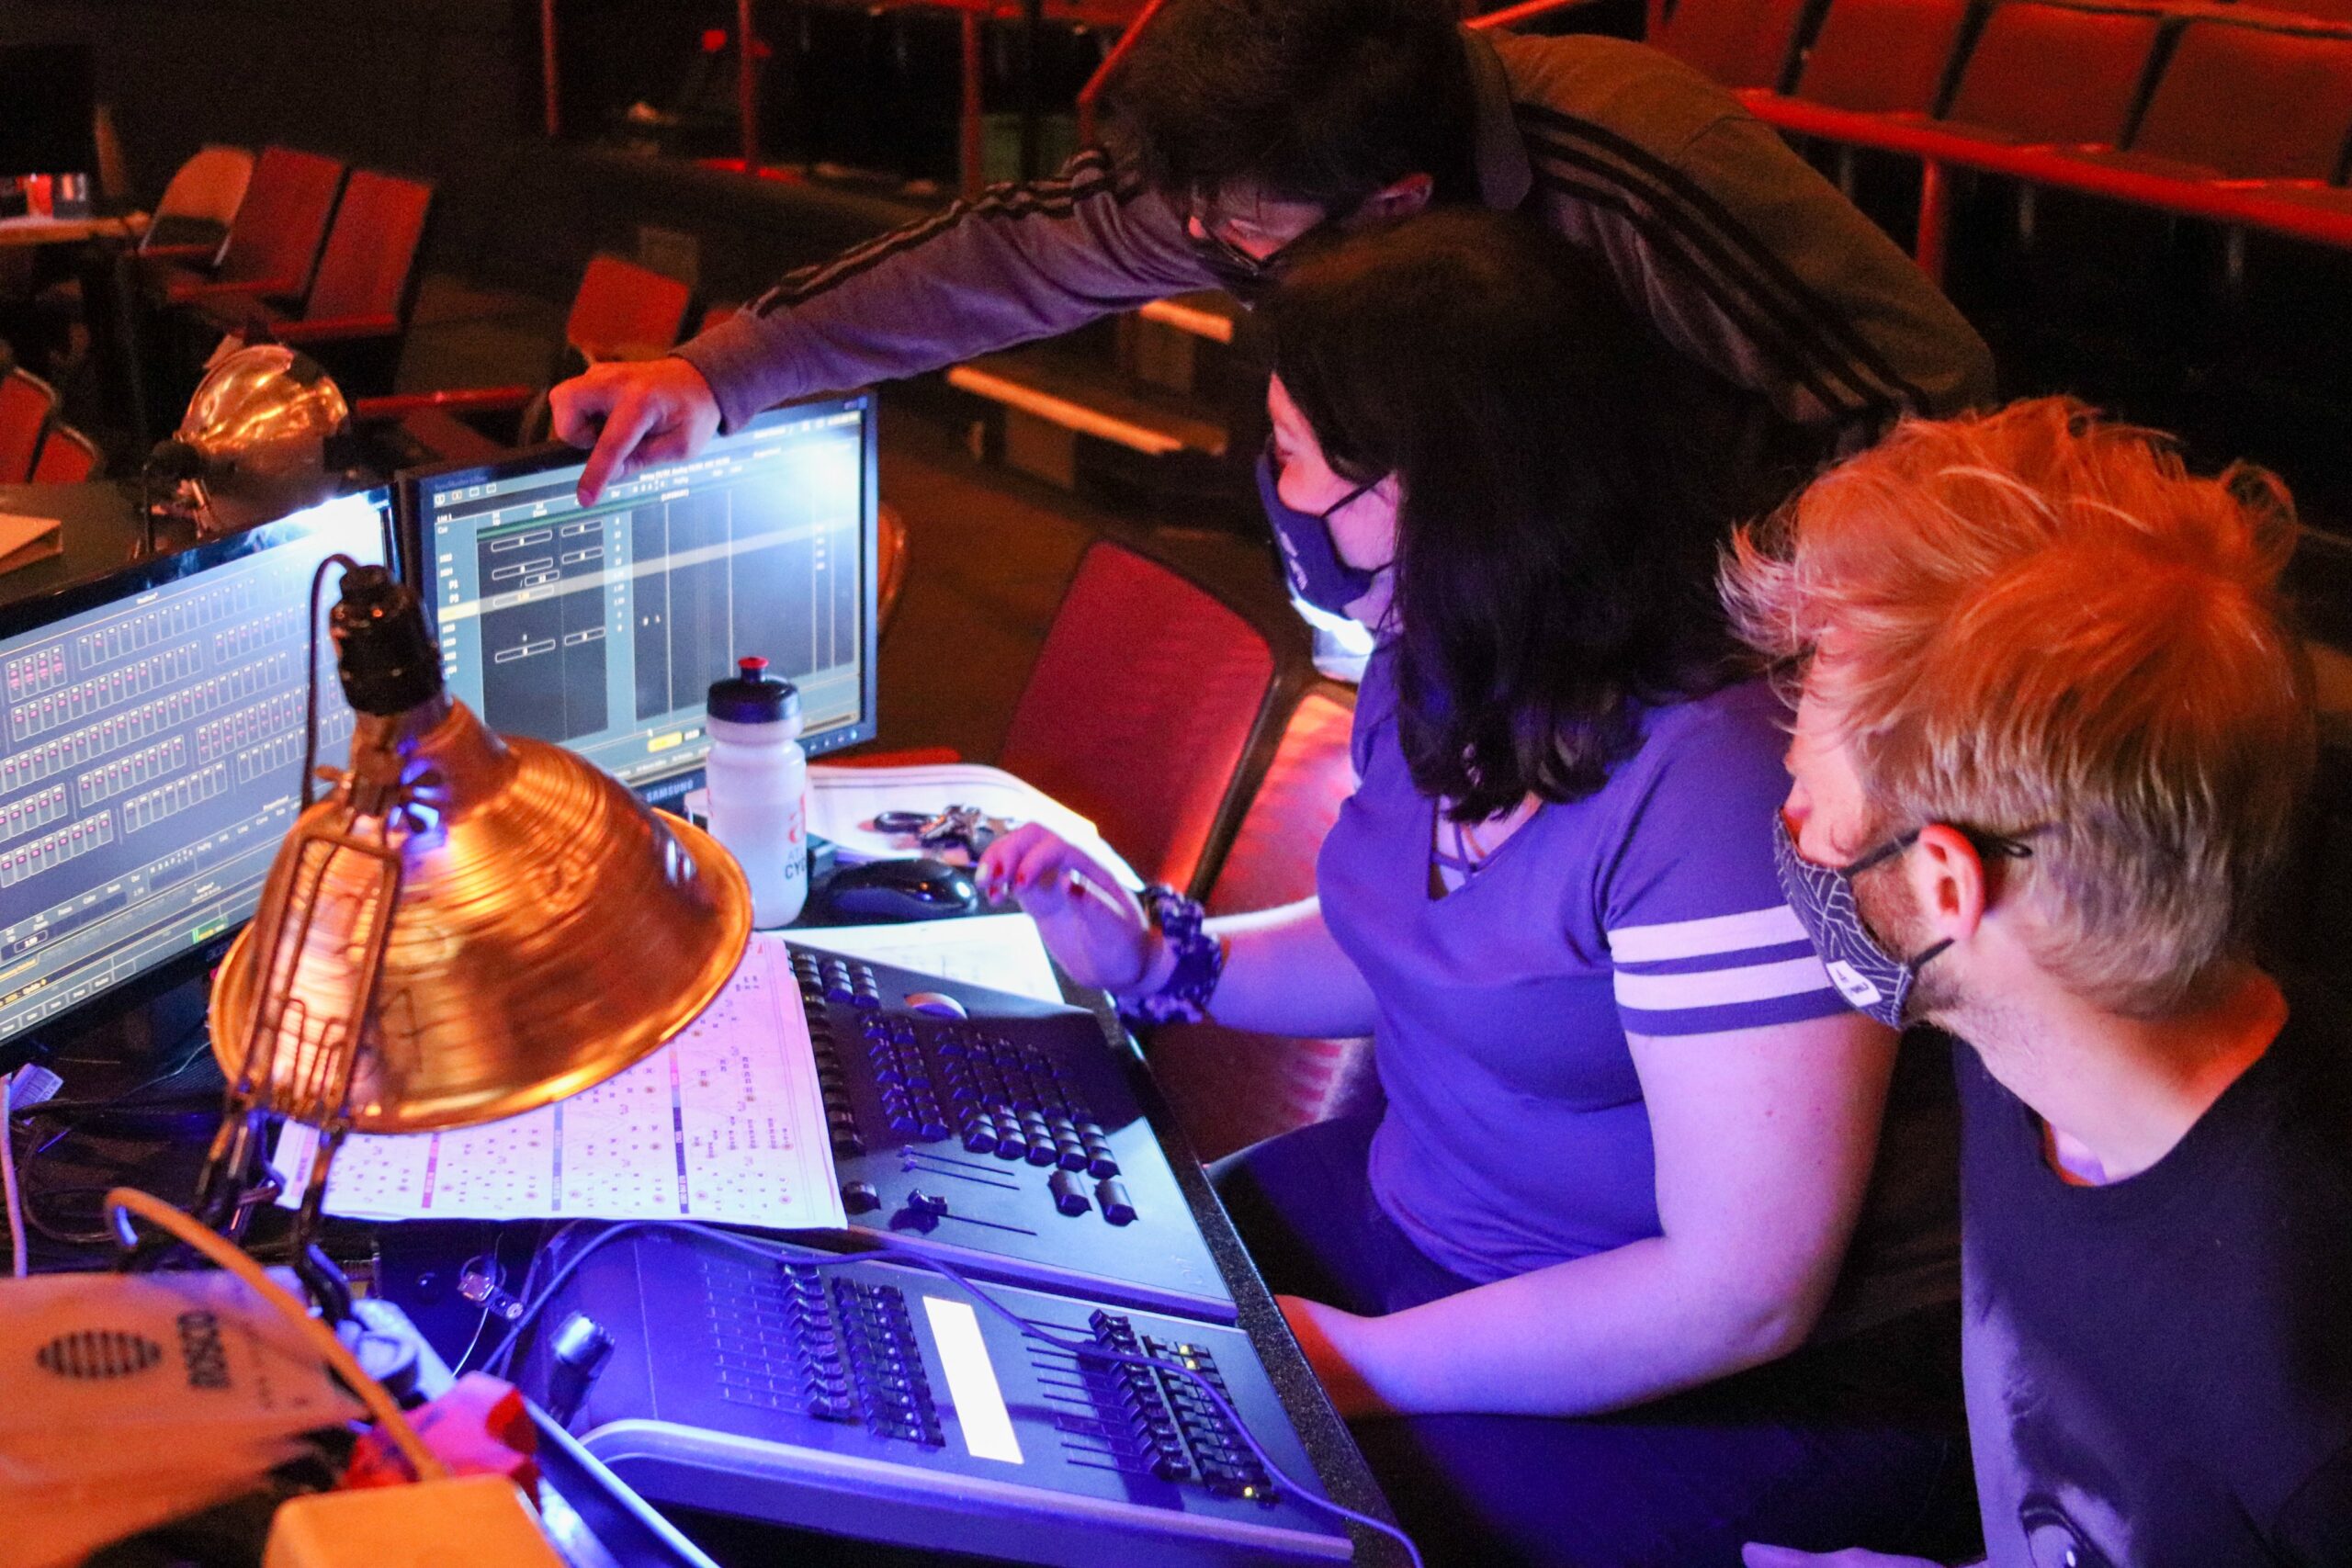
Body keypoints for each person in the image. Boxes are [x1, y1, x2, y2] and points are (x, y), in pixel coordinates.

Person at [977, 209, 1974, 1568]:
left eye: (1288, 457)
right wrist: (1163, 957)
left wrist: (1367, 1363)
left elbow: (1742, 1293)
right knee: (1067, 1349)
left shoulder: (1719, 789)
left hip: (1715, 1380)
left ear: (1437, 492)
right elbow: (1410, 939)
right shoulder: (1439, 653)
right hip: (1428, 1227)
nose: (1269, 492)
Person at [548, 0, 1994, 509]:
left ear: (1397, 201)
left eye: (1237, 242)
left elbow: (1934, 417)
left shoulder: (1640, 159)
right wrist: (718, 371)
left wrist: (1724, 624)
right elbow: (994, 262)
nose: (1196, 252)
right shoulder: (1246, 171)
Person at [1724, 398, 2352, 1568]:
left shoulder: (2303, 1380)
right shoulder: (2020, 1059)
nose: (1789, 820)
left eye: (1809, 787)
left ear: (1952, 888)